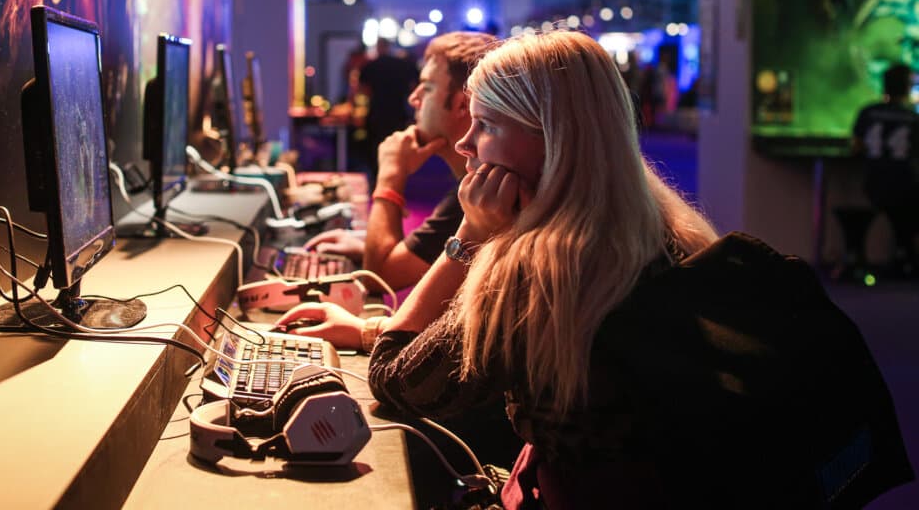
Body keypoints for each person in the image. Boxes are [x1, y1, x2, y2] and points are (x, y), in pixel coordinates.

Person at [278, 30, 721, 504]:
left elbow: (396, 380)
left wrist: (470, 236)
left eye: (486, 123)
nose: (466, 143)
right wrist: (370, 328)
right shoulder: (668, 230)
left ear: (552, 135)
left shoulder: (547, 268)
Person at [304, 31, 496, 292]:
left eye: (427, 88)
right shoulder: (478, 183)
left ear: (462, 105)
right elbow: (416, 257)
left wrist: (391, 174)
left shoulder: (482, 194)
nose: (413, 98)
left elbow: (379, 277)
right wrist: (367, 248)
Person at [851, 63, 919, 276]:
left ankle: (899, 256)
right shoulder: (913, 118)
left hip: (873, 184)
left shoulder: (868, 112)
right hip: (905, 185)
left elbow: (856, 147)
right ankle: (905, 259)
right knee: (907, 209)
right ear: (907, 87)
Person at [358, 38, 420, 183]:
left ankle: (377, 179)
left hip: (376, 112)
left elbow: (363, 90)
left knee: (375, 149)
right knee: (397, 148)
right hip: (397, 112)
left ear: (378, 47)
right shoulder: (402, 65)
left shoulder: (371, 66)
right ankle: (396, 179)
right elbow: (414, 85)